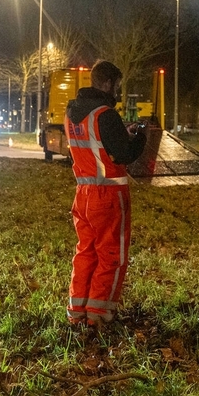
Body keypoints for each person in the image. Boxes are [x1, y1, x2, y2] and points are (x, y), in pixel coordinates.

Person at [64, 60, 147, 327]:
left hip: (83, 195)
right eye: (118, 86)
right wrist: (141, 138)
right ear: (109, 83)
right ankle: (99, 316)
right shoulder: (105, 115)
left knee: (86, 252)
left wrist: (120, 135)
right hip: (109, 197)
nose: (118, 93)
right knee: (111, 255)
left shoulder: (72, 113)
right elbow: (124, 155)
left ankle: (78, 312)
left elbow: (95, 144)